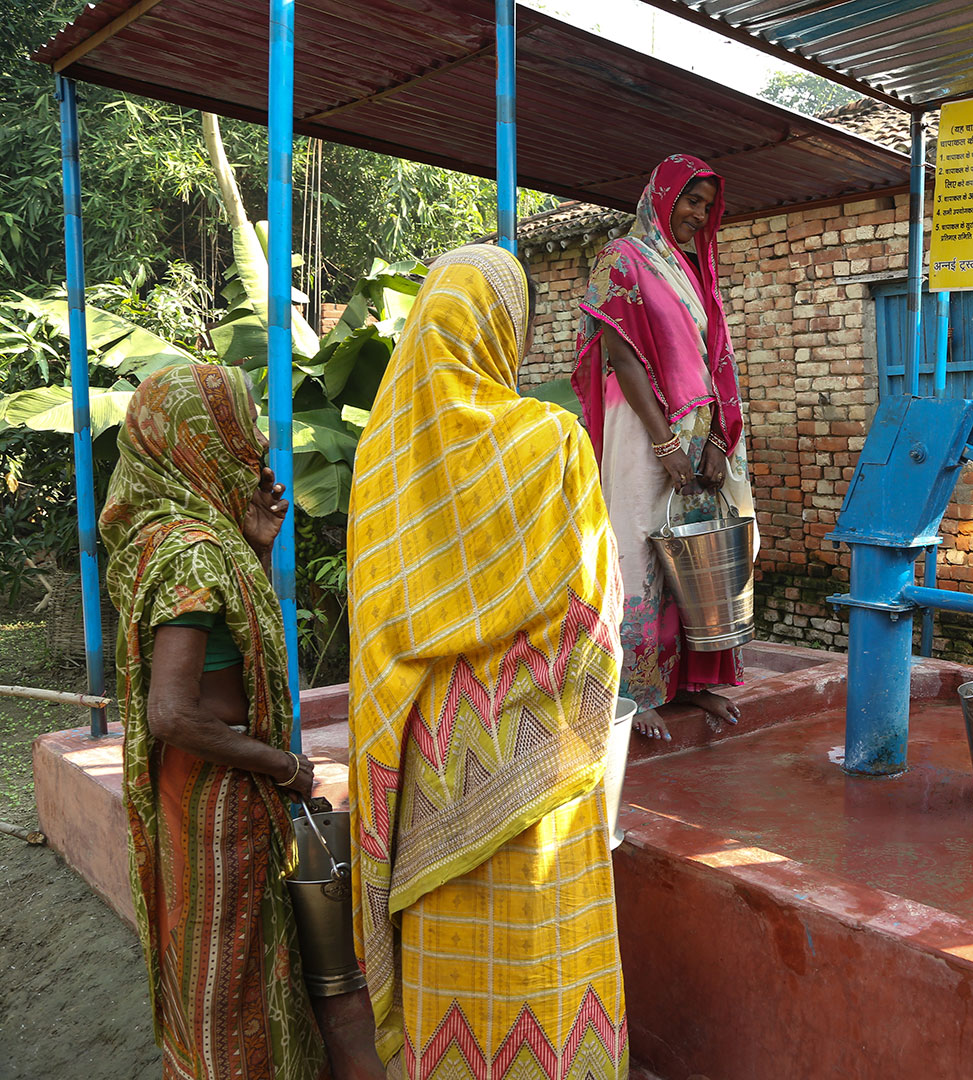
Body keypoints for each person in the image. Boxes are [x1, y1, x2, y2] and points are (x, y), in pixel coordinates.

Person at [348, 243, 628, 1080]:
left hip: (430, 756)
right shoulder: (552, 445)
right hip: (541, 749)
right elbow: (593, 611)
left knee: (455, 968)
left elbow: (373, 634)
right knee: (545, 956)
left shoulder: (382, 461)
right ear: (502, 333)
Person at [101, 363, 361, 1080]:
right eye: (239, 424)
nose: (253, 445)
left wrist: (256, 545)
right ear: (202, 439)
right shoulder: (194, 550)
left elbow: (217, 645)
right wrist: (282, 765)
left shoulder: (164, 532)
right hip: (223, 792)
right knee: (233, 969)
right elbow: (173, 712)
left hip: (193, 788)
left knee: (205, 954)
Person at [573, 153, 753, 741]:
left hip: (700, 426)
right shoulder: (620, 258)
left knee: (696, 552)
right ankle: (632, 690)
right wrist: (665, 441)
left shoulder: (696, 268)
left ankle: (693, 685)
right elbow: (622, 356)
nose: (698, 215)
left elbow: (712, 359)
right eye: (690, 201)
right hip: (642, 428)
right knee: (635, 549)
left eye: (707, 205)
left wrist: (718, 440)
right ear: (662, 196)